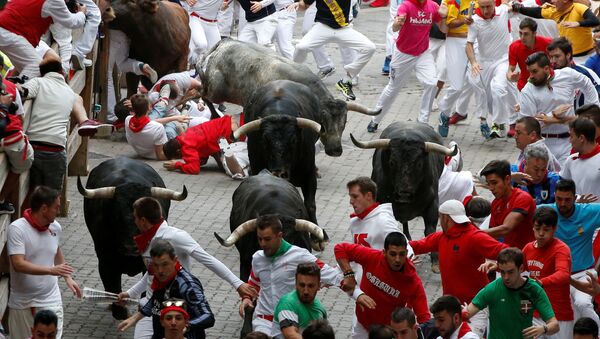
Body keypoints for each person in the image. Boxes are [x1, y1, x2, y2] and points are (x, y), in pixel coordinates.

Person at [118, 197, 256, 338]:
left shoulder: (176, 237)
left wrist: (237, 283)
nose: (133, 221)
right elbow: (152, 273)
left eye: (135, 217)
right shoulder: (148, 239)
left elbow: (207, 259)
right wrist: (131, 293)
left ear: (142, 220)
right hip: (152, 305)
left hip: (176, 310)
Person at [409, 199, 506, 337]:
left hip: (477, 308)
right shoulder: (442, 237)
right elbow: (417, 245)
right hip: (450, 309)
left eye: (440, 218)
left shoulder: (475, 237)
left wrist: (497, 266)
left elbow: (507, 253)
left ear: (446, 218)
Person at [240, 214, 343, 336]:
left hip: (290, 321)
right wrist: (246, 298)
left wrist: (350, 272)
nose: (262, 244)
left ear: (280, 236)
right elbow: (254, 283)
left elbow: (331, 275)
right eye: (259, 239)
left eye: (267, 239)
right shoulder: (258, 258)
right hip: (263, 322)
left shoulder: (299, 255)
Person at [7, 186, 82, 339]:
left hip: (50, 298)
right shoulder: (17, 229)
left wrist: (67, 277)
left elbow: (54, 250)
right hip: (22, 302)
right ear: (44, 208)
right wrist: (50, 270)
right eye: (56, 207)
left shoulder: (56, 227)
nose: (59, 211)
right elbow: (18, 264)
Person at [20, 56, 102, 193]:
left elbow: (24, 92)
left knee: (33, 196)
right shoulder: (70, 93)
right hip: (56, 149)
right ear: (62, 72)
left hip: (34, 147)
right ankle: (85, 121)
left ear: (42, 73)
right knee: (52, 196)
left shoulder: (38, 82)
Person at [364, 0, 448, 131]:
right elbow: (394, 28)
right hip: (403, 54)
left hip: (423, 53)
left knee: (432, 84)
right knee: (393, 88)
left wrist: (443, 17)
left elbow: (443, 29)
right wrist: (398, 23)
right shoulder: (406, 5)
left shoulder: (432, 6)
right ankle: (375, 119)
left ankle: (422, 122)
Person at [335, 232, 430, 338]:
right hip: (361, 325)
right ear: (384, 252)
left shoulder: (413, 281)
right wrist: (349, 274)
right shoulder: (372, 257)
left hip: (386, 334)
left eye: (402, 254)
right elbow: (340, 248)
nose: (397, 260)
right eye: (393, 254)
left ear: (406, 252)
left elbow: (424, 318)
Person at [117, 239, 215, 339]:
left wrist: (186, 326)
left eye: (165, 264)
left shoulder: (187, 285)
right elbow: (156, 300)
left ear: (175, 260)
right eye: (156, 265)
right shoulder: (161, 278)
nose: (160, 271)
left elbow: (208, 317)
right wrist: (135, 318)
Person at [538, 179, 600, 327]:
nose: (562, 204)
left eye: (567, 199)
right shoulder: (545, 212)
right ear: (554, 196)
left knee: (583, 304)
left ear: (574, 197)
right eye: (559, 199)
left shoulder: (590, 212)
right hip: (555, 275)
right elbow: (519, 212)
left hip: (584, 273)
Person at [519, 51, 599, 163]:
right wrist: (553, 115)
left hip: (569, 141)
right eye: (529, 72)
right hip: (544, 144)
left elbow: (587, 83)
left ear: (546, 68)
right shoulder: (527, 91)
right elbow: (527, 126)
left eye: (535, 71)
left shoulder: (568, 75)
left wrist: (593, 109)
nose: (531, 76)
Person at [463, 248, 559, 338]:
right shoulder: (492, 289)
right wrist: (462, 313)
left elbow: (554, 325)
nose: (506, 277)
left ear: (521, 268)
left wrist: (543, 329)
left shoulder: (534, 290)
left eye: (510, 272)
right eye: (502, 272)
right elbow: (467, 313)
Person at [291, 0, 376, 101]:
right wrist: (298, 4)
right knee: (301, 47)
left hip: (344, 29)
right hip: (322, 28)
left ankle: (347, 79)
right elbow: (304, 5)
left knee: (370, 47)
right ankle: (292, 74)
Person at [0, 0, 100, 78]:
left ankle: (12, 90)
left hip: (9, 29)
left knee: (27, 67)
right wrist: (82, 13)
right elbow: (72, 22)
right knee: (36, 67)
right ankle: (16, 95)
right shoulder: (55, 1)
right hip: (8, 30)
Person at [466, 0, 515, 139]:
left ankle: (498, 124)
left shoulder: (503, 11)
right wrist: (473, 62)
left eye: (488, 6)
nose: (486, 10)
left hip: (503, 60)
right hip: (484, 63)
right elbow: (469, 45)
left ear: (494, 3)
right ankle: (497, 120)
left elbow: (514, 8)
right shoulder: (474, 21)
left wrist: (513, 6)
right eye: (482, 7)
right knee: (488, 98)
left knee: (498, 88)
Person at [523, 207, 574, 339]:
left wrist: (541, 282)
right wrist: (496, 265)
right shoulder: (528, 248)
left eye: (546, 230)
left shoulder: (561, 249)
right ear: (532, 227)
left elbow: (563, 275)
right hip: (533, 313)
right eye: (537, 228)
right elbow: (518, 269)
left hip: (559, 314)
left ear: (555, 229)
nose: (541, 233)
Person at [436, 0, 478, 137]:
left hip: (475, 41)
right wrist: (463, 21)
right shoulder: (453, 1)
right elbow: (449, 23)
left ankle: (487, 121)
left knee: (477, 81)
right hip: (455, 41)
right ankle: (444, 113)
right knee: (456, 86)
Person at [511, 0, 599, 62]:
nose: (552, 1)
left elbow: (595, 21)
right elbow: (537, 12)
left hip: (590, 56)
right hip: (572, 59)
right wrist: (519, 8)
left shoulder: (579, 7)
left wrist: (578, 23)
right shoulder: (554, 11)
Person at [162, 115, 247, 176]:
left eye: (177, 157)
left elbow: (194, 169)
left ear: (177, 151)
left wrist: (177, 165)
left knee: (230, 169)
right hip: (232, 120)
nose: (181, 158)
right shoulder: (186, 134)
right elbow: (203, 154)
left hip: (235, 133)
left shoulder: (187, 147)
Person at [480, 160, 536, 249]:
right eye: (488, 184)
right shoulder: (495, 203)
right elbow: (493, 235)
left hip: (529, 256)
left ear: (507, 179)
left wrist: (474, 234)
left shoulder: (523, 198)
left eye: (494, 183)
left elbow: (506, 228)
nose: (491, 188)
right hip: (510, 256)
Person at [0, 72, 32, 214]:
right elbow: (20, 116)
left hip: (6, 137)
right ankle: (1, 199)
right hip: (10, 138)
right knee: (25, 161)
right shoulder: (11, 87)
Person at [273, 262, 327, 338]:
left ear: (319, 285)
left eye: (311, 286)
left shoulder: (320, 309)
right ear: (295, 284)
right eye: (302, 285)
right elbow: (291, 335)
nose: (306, 291)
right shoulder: (287, 303)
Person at [547, 37, 600, 109]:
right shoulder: (547, 77)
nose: (553, 61)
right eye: (551, 57)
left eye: (557, 56)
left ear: (568, 55)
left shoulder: (585, 73)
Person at [508, 18, 552, 92]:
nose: (522, 37)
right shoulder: (514, 47)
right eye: (520, 33)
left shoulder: (548, 43)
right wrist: (511, 77)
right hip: (524, 87)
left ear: (534, 33)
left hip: (547, 84)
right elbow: (510, 70)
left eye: (526, 34)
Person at [560, 118, 600, 197]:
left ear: (581, 138)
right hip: (576, 209)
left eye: (571, 136)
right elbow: (562, 190)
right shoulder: (570, 160)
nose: (569, 140)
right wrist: (577, 200)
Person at [124, 94, 169, 160]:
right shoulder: (158, 127)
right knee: (173, 126)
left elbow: (149, 122)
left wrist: (173, 118)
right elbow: (160, 156)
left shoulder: (128, 120)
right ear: (149, 108)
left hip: (140, 152)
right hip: (155, 155)